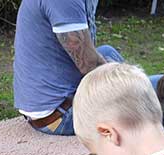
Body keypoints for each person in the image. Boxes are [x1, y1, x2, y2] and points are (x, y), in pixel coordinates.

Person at [13, 0, 123, 135]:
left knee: (108, 52)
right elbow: (90, 66)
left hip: (47, 105)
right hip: (60, 117)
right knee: (153, 89)